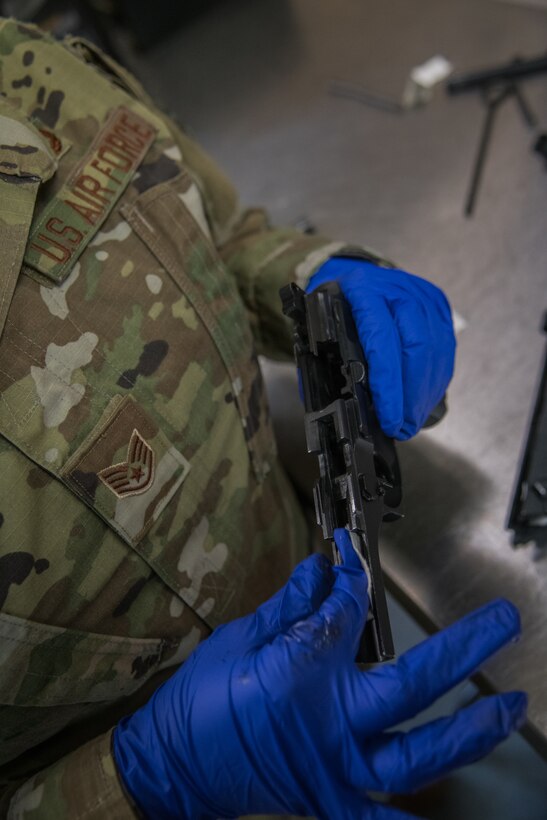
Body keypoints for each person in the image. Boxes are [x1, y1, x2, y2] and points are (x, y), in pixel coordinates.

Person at [0, 17, 526, 819]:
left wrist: (313, 279)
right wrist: (143, 778)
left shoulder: (14, 60)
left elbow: (209, 222)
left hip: (335, 594)